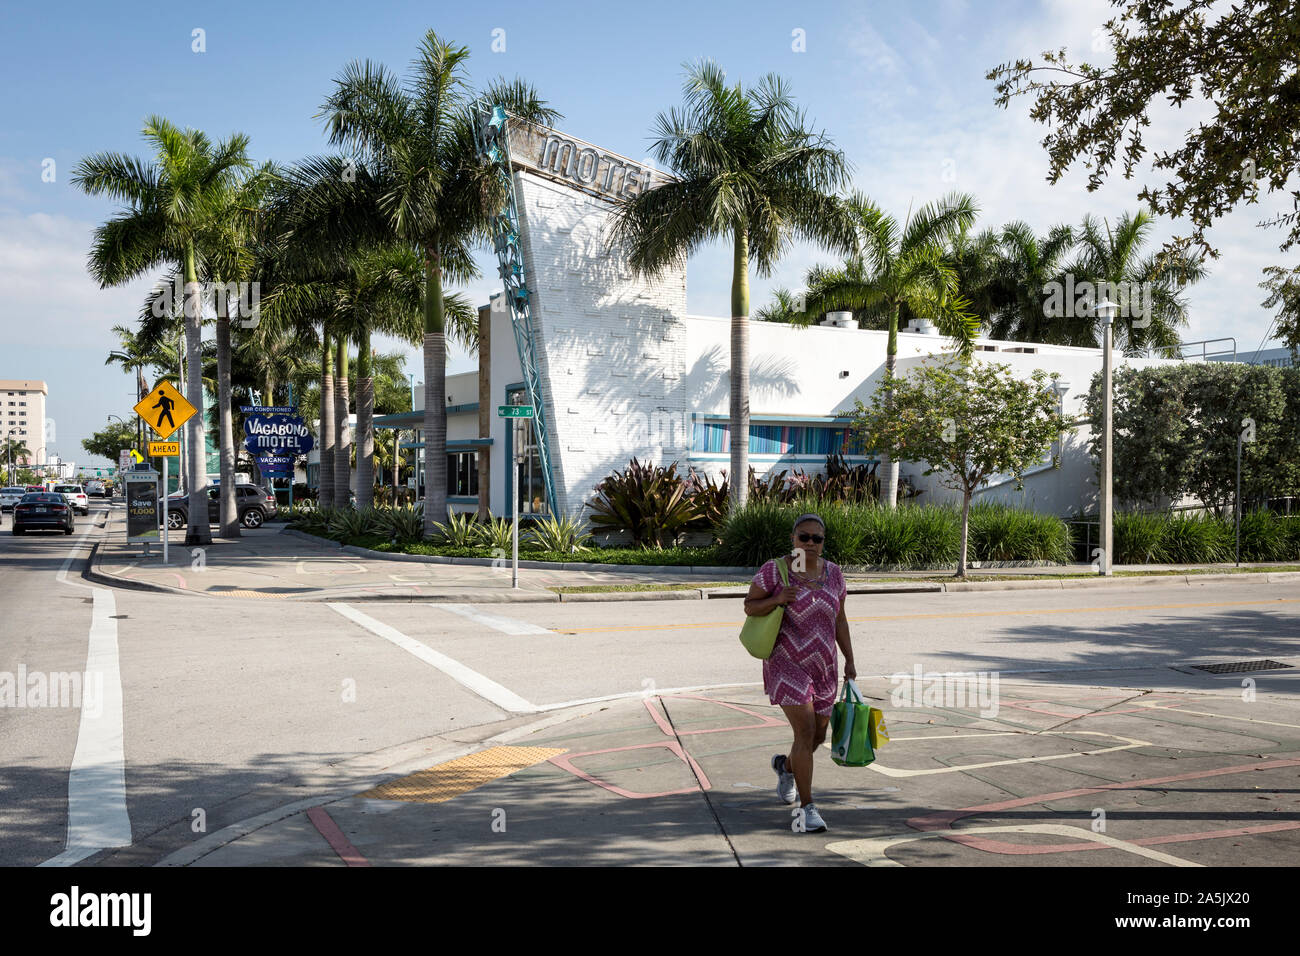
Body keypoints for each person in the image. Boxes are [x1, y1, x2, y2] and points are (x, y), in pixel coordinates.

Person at [743, 512, 856, 833]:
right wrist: (778, 598)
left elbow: (840, 620)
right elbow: (750, 605)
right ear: (793, 540)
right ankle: (808, 809)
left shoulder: (834, 574)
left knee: (818, 736)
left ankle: (786, 766)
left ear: (823, 542)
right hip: (786, 663)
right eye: (803, 537)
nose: (809, 543)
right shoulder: (776, 571)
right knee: (805, 734)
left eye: (816, 538)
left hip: (824, 665)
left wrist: (849, 659)